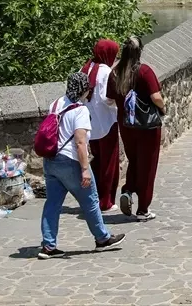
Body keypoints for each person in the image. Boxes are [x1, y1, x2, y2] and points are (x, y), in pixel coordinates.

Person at [37, 72, 126, 259]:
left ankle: (48, 245)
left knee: (52, 203)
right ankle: (102, 238)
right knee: (90, 199)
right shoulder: (80, 110)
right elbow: (80, 142)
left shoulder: (56, 103)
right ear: (84, 89)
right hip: (70, 161)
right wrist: (85, 169)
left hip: (51, 159)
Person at [108, 37, 164, 222]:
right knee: (148, 165)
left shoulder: (115, 73)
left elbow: (109, 98)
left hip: (127, 125)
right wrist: (163, 108)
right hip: (146, 126)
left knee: (134, 160)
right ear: (140, 51)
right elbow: (156, 97)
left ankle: (128, 189)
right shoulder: (144, 71)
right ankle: (143, 209)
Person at [80, 39, 120, 212]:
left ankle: (92, 198)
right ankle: (106, 201)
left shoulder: (84, 69)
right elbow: (107, 99)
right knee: (109, 165)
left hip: (88, 125)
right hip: (106, 123)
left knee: (95, 164)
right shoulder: (106, 72)